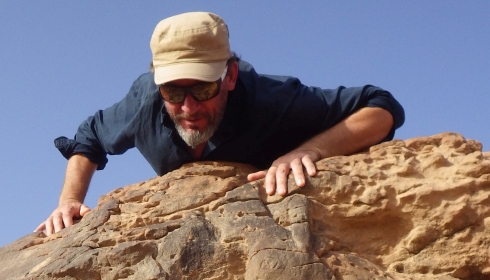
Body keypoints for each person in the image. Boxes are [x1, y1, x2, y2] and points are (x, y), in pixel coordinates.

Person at [36, 12, 404, 235]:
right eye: (173, 92)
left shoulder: (269, 98)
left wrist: (311, 149)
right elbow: (88, 137)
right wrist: (68, 201)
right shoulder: (145, 101)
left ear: (229, 76)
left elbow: (380, 107)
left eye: (204, 87)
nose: (189, 106)